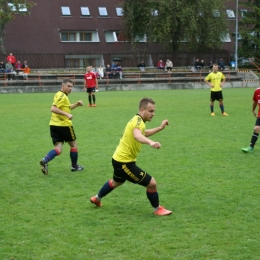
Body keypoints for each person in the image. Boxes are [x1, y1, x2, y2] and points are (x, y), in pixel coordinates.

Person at [90, 97, 172, 216]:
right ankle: (157, 209)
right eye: (150, 111)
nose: (153, 114)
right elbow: (137, 136)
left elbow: (143, 133)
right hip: (124, 163)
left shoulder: (138, 121)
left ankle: (96, 198)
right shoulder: (138, 121)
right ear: (142, 110)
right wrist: (151, 142)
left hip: (118, 159)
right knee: (152, 183)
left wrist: (160, 128)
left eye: (154, 111)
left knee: (116, 182)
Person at [39, 79, 84, 175]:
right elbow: (53, 108)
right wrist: (66, 115)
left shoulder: (59, 94)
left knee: (58, 149)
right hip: (64, 125)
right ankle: (74, 166)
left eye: (72, 86)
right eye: (68, 86)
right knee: (73, 145)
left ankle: (45, 160)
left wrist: (76, 104)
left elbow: (65, 107)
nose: (70, 88)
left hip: (53, 125)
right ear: (62, 86)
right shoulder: (62, 96)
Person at [242, 87, 260, 153]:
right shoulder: (257, 91)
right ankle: (251, 147)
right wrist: (253, 110)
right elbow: (255, 101)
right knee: (256, 129)